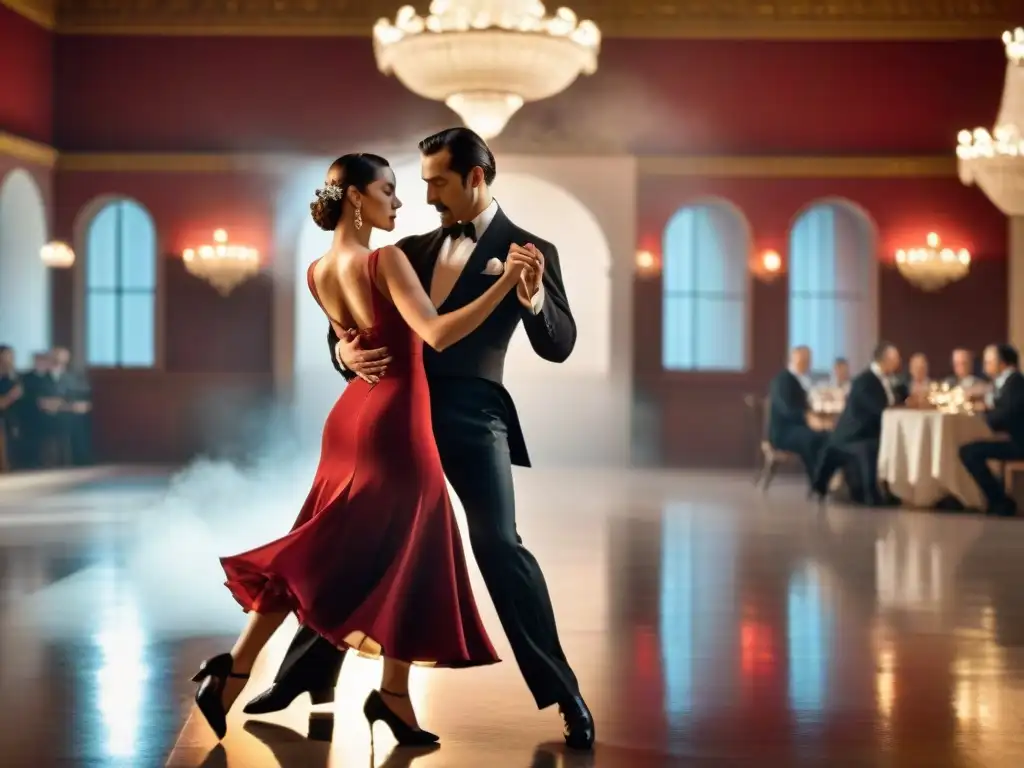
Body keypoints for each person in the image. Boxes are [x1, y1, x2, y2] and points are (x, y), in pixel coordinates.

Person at [245, 128, 595, 751]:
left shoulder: (531, 250)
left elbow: (560, 344)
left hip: (471, 415)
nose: (426, 194)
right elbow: (353, 328)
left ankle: (564, 692)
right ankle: (306, 677)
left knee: (497, 544)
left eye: (437, 182)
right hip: (397, 413)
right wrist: (345, 354)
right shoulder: (404, 248)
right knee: (352, 538)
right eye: (422, 182)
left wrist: (532, 292)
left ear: (476, 178)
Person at [192, 152, 540, 743]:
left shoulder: (316, 270)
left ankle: (243, 670)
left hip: (351, 416)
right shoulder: (387, 259)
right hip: (396, 421)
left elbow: (351, 342)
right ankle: (379, 693)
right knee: (406, 547)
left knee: (343, 546)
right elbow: (437, 333)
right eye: (388, 190)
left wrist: (346, 355)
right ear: (356, 197)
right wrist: (507, 282)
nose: (400, 203)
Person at [811, 342, 904, 506]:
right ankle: (873, 494)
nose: (899, 362)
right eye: (895, 358)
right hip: (856, 434)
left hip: (874, 431)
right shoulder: (864, 381)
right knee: (875, 446)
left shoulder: (890, 380)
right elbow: (877, 409)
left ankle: (896, 490)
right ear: (885, 360)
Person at [958, 343, 1024, 517]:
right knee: (969, 450)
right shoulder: (1007, 382)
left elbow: (1007, 414)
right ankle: (999, 500)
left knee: (969, 452)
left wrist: (984, 414)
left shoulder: (1016, 381)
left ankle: (1000, 501)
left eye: (989, 361)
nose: (986, 366)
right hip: (1010, 439)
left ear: (1003, 363)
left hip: (1018, 443)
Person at [767, 345, 828, 484]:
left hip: (798, 426)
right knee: (812, 439)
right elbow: (786, 410)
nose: (806, 363)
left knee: (826, 436)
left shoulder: (803, 379)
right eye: (803, 360)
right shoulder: (782, 380)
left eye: (808, 360)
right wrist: (807, 417)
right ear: (793, 359)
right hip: (783, 432)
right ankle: (817, 482)